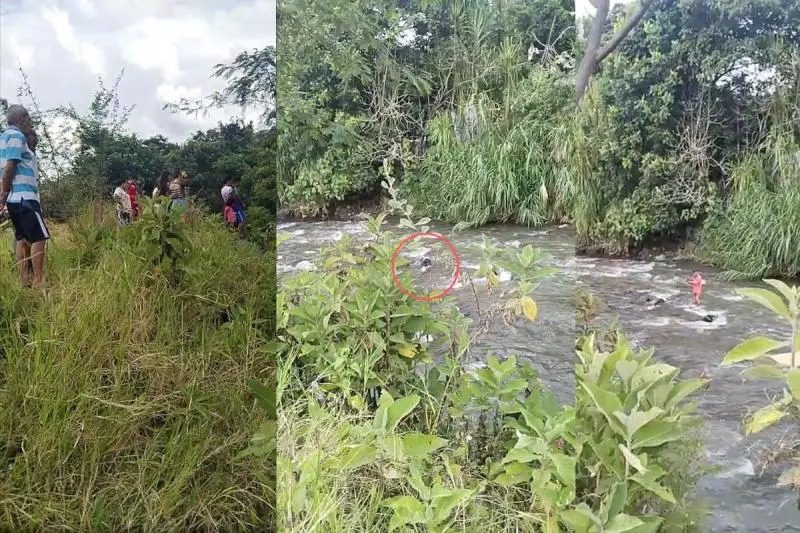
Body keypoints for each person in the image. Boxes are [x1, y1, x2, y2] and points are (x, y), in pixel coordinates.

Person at [0, 104, 49, 288]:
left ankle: (24, 279)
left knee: (21, 238)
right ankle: (38, 280)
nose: (30, 123)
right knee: (39, 237)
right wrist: (3, 194)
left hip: (15, 198)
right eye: (28, 119)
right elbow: (9, 167)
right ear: (21, 118)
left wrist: (5, 196)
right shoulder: (16, 135)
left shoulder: (3, 139)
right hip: (24, 197)